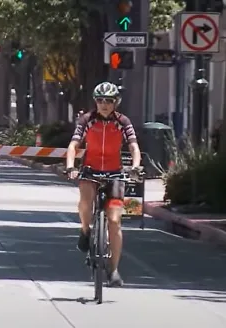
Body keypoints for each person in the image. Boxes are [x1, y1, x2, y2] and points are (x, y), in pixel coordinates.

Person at [65, 81, 143, 287]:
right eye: (100, 100)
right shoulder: (86, 120)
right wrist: (71, 166)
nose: (104, 104)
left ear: (116, 102)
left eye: (109, 101)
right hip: (90, 171)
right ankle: (85, 230)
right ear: (95, 102)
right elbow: (74, 145)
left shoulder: (123, 121)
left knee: (115, 221)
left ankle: (114, 269)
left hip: (115, 174)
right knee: (85, 202)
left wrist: (135, 166)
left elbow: (134, 146)